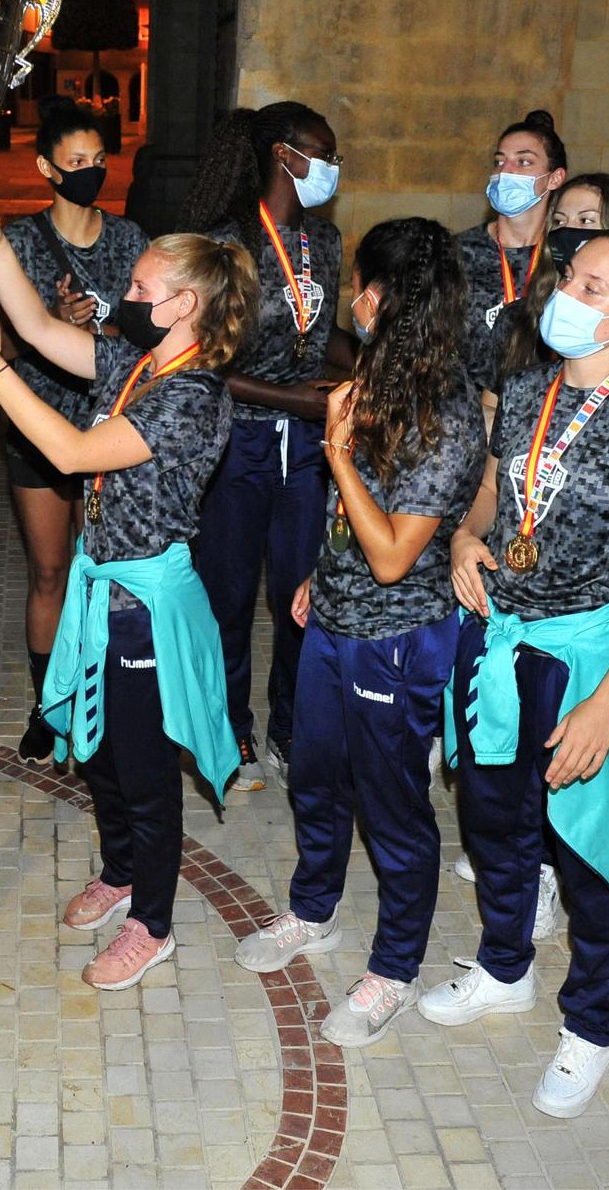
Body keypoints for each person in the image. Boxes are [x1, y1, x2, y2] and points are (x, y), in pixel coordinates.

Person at [0, 181, 251, 991]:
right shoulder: (142, 362)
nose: (127, 296)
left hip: (144, 605)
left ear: (185, 306)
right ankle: (119, 869)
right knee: (99, 751)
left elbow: (72, 454)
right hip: (99, 590)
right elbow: (40, 329)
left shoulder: (190, 395)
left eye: (143, 288)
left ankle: (155, 920)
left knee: (145, 768)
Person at [429, 230, 609, 1119]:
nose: (569, 293)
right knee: (495, 824)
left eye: (595, 285)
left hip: (588, 655)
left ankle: (590, 1023)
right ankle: (506, 967)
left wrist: (608, 701)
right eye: (572, 278)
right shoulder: (524, 389)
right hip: (501, 636)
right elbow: (493, 492)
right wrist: (469, 536)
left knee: (591, 854)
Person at [229, 218, 485, 1046]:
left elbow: (396, 555)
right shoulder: (377, 371)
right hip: (334, 617)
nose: (352, 299)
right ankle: (314, 910)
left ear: (381, 295)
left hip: (397, 636)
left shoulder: (444, 409)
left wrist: (336, 452)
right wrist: (315, 571)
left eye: (361, 284)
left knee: (393, 807)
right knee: (313, 772)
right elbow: (357, 524)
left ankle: (396, 969)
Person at [177, 101, 353, 790]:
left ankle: (290, 720)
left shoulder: (327, 243)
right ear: (284, 154)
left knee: (301, 594)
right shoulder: (225, 244)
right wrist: (292, 398)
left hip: (310, 447)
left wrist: (367, 362)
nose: (332, 170)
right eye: (324, 154)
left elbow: (320, 330)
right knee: (227, 593)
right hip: (237, 442)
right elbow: (202, 358)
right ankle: (229, 725)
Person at [0, 96, 150, 763]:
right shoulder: (20, 242)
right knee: (50, 571)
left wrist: (97, 326)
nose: (90, 171)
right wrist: (54, 320)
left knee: (104, 572)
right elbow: (3, 340)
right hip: (39, 421)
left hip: (112, 423)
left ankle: (99, 693)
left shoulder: (130, 241)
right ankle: (45, 705)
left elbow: (153, 334)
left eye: (99, 159)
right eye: (76, 162)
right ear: (46, 168)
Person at [490, 172, 609, 400]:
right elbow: (493, 404)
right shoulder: (518, 318)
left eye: (585, 221)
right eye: (559, 221)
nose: (567, 232)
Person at [458, 111, 570, 411]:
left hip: (542, 413)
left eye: (523, 162)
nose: (505, 171)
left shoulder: (568, 258)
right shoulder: (457, 252)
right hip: (464, 412)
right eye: (499, 161)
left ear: (555, 177)